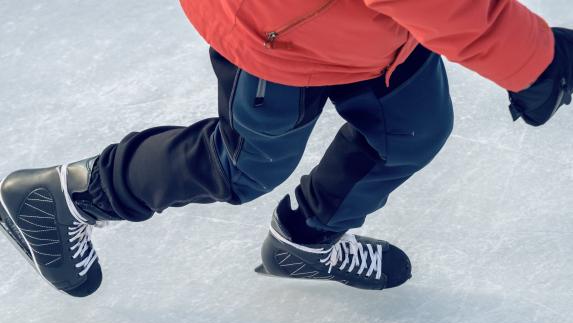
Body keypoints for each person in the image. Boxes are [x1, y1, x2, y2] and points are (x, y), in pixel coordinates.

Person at [0, 0, 571, 297]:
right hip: (282, 32)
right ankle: (71, 197)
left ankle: (304, 240)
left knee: (412, 130)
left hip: (375, 30)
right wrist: (536, 62)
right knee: (245, 166)